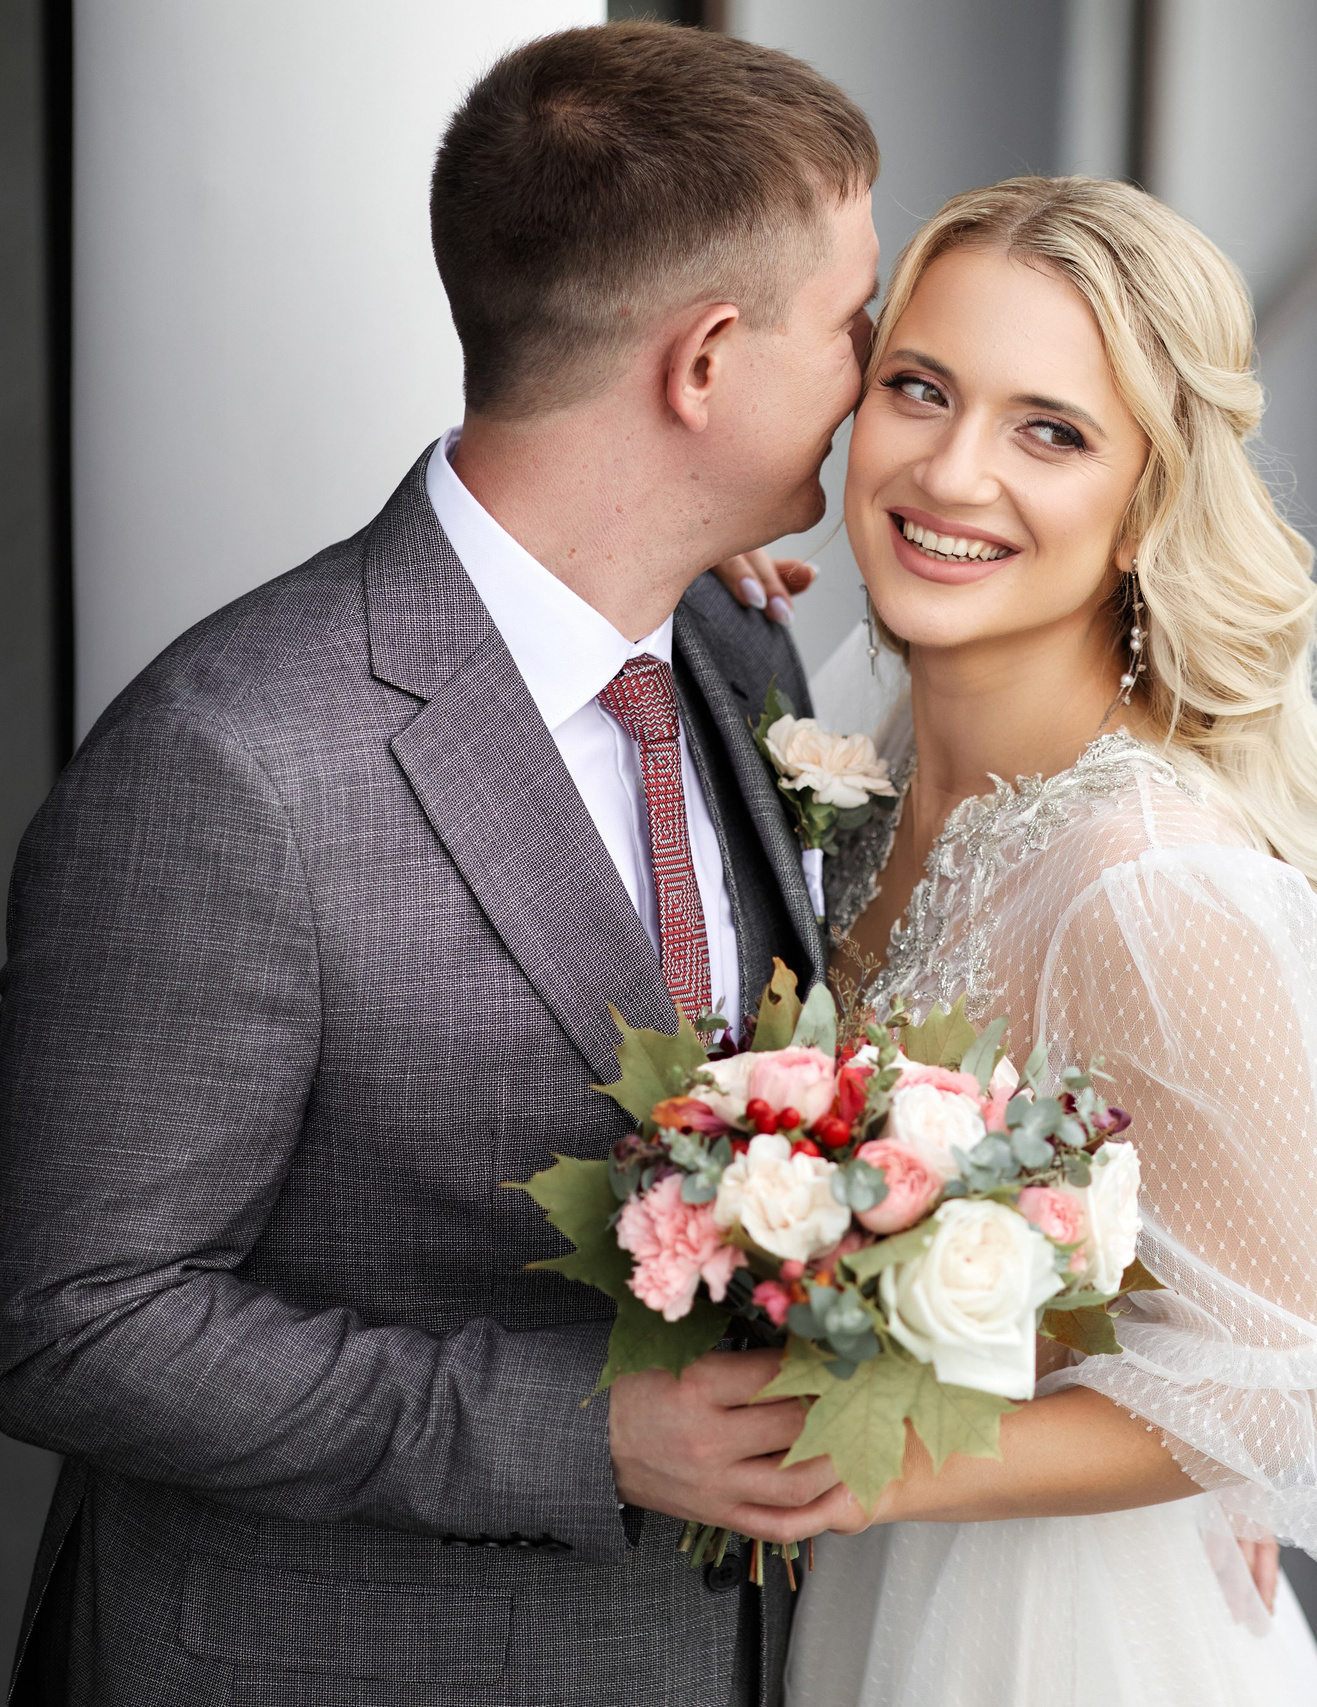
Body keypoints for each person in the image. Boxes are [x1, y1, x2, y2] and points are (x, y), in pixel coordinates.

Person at [0, 25, 876, 1705]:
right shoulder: (233, 763)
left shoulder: (735, 652)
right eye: (853, 324)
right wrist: (583, 1433)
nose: (870, 372)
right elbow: (74, 1316)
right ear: (705, 362)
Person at [778, 176, 1317, 1707]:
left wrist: (847, 1464)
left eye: (1051, 432)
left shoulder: (1151, 888)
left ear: (1150, 502)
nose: (953, 472)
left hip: (1042, 1630)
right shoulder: (852, 774)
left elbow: (1268, 1392)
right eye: (919, 389)